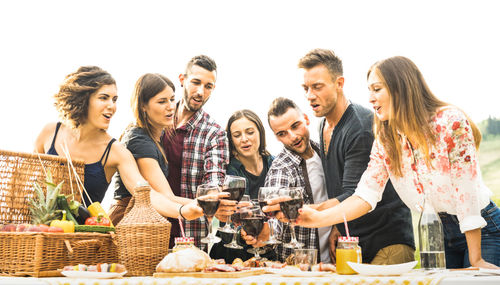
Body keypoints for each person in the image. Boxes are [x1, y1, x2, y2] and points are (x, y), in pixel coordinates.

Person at [296, 56, 500, 269]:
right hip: (438, 232)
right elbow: (364, 196)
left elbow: (465, 192)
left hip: (482, 231)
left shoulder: (450, 122)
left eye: (377, 89)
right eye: (369, 91)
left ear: (400, 88)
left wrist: (476, 259)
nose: (371, 98)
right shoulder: (386, 138)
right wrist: (314, 219)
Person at [34, 67, 201, 224]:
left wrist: (182, 210)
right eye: (103, 98)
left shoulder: (116, 152)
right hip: (37, 235)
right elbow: (28, 185)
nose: (112, 106)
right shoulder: (50, 133)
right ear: (83, 100)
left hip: (84, 242)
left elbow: (146, 194)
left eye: (114, 100)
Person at [297, 49, 415, 265]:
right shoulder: (323, 124)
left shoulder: (360, 127)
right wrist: (336, 226)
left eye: (317, 86)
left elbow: (355, 193)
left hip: (386, 244)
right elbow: (340, 187)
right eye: (305, 88)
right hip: (353, 243)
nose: (309, 95)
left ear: (339, 83)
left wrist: (313, 213)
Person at [111, 73, 232, 248]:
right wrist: (207, 207)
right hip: (127, 225)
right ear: (143, 106)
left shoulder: (156, 136)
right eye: (162, 102)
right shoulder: (138, 140)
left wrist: (211, 206)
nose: (170, 107)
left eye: (172, 99)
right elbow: (164, 196)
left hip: (143, 227)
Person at [245, 97, 332, 263]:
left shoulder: (325, 152)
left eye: (295, 126)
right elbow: (274, 218)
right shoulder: (282, 169)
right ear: (277, 137)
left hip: (335, 261)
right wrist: (265, 232)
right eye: (282, 133)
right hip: (301, 268)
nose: (292, 137)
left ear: (306, 119)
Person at [161, 55, 232, 249]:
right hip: (149, 229)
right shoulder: (158, 120)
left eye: (208, 86)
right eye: (196, 82)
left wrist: (214, 200)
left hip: (189, 234)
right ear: (182, 80)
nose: (201, 92)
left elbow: (214, 181)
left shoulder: (214, 133)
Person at [210, 109, 275, 263]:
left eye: (250, 132)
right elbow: (233, 217)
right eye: (237, 135)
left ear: (260, 133)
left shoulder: (273, 163)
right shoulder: (230, 170)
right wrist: (246, 233)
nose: (244, 139)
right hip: (231, 252)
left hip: (265, 249)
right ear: (231, 141)